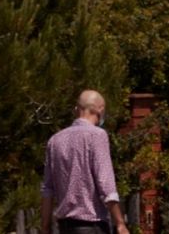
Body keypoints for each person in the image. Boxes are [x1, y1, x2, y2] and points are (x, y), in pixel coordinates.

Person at [41, 90, 131, 234]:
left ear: (77, 109)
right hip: (92, 225)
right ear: (100, 110)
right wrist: (120, 223)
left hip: (65, 227)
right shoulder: (97, 136)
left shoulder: (55, 140)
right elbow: (106, 184)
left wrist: (45, 227)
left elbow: (47, 189)